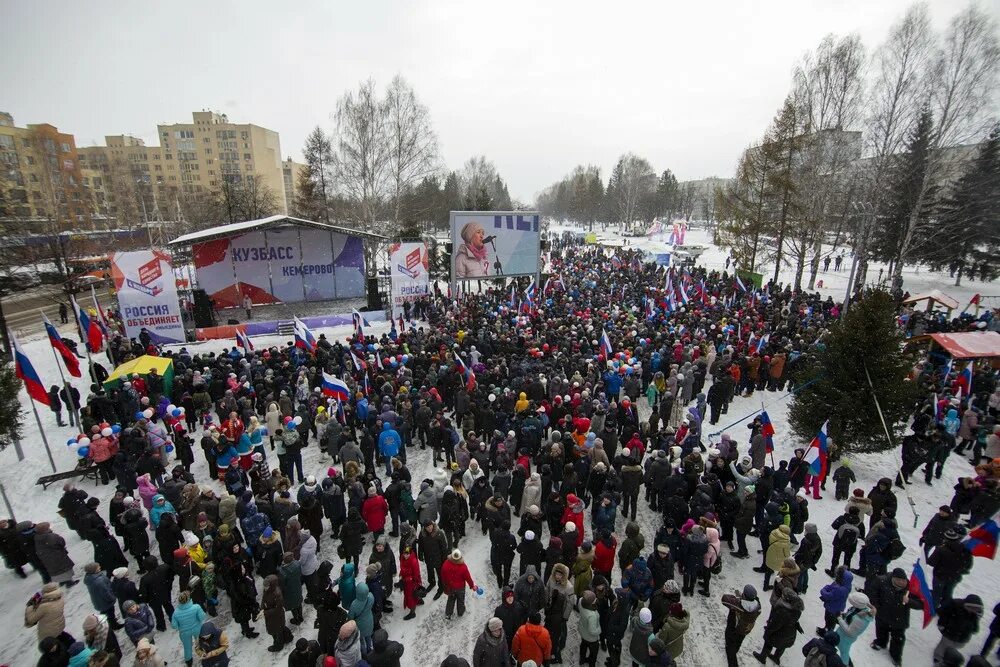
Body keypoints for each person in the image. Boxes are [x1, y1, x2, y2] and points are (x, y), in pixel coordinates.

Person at [753, 587, 804, 664]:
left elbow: (775, 625)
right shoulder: (796, 609)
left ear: (787, 599)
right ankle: (776, 658)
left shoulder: (783, 610)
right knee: (783, 645)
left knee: (769, 642)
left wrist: (768, 632)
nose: (781, 596)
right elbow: (793, 620)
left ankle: (762, 657)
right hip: (790, 633)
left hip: (780, 633)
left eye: (783, 595)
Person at [933, 594, 984, 664]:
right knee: (943, 646)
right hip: (950, 633)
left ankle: (948, 657)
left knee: (952, 648)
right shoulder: (955, 605)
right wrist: (941, 625)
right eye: (972, 608)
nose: (974, 610)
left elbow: (975, 625)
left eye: (976, 609)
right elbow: (944, 615)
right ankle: (937, 658)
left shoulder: (975, 615)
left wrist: (975, 629)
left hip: (962, 638)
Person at [722, 585, 761, 667]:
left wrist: (737, 598)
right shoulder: (758, 606)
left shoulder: (738, 605)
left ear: (744, 595)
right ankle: (735, 649)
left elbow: (724, 599)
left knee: (730, 647)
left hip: (733, 629)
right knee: (739, 641)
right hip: (745, 630)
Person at [171, 590, 207, 667]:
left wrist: (180, 626)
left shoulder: (176, 613)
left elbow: (174, 626)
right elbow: (202, 617)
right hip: (197, 629)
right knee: (200, 642)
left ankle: (189, 662)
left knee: (187, 647)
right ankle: (203, 654)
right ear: (189, 599)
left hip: (184, 633)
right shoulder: (196, 607)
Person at [441, 548, 477, 619]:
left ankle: (448, 613)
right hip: (460, 588)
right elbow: (468, 578)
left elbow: (442, 575)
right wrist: (472, 586)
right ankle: (460, 612)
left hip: (450, 587)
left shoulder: (446, 564)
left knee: (451, 600)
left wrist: (445, 585)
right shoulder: (463, 567)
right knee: (460, 601)